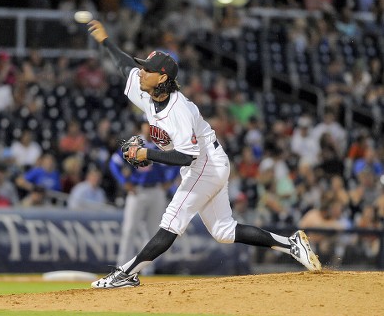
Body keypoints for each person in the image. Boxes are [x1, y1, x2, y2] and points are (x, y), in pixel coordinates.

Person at [87, 20, 321, 289]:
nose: (141, 72)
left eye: (147, 69)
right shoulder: (147, 95)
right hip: (209, 162)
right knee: (224, 231)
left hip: (204, 165)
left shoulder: (179, 111)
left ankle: (126, 273)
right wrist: (106, 41)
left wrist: (146, 154)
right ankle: (290, 244)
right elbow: (124, 66)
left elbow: (187, 157)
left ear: (162, 78)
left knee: (171, 222)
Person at [109, 121, 179, 275]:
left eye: (150, 124)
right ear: (141, 126)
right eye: (145, 124)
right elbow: (114, 164)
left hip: (156, 191)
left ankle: (149, 269)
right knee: (129, 229)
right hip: (137, 191)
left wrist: (170, 180)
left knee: (153, 231)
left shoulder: (162, 143)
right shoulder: (134, 143)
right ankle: (122, 268)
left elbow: (177, 161)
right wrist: (123, 182)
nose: (148, 127)